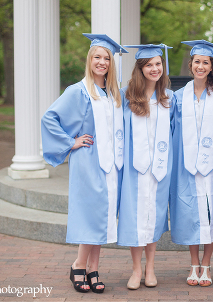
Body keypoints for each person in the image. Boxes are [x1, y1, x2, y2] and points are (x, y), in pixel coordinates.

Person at [41, 33, 127, 294]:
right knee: (92, 213)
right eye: (97, 57)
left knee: (103, 216)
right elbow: (49, 118)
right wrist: (71, 142)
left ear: (112, 63)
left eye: (107, 58)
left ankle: (93, 268)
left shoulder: (113, 93)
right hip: (89, 160)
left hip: (112, 164)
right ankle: (79, 264)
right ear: (90, 60)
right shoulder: (78, 91)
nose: (102, 62)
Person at [170, 40, 213, 287]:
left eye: (206, 62)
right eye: (197, 62)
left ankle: (207, 263)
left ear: (212, 66)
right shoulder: (177, 96)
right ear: (190, 64)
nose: (201, 66)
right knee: (190, 212)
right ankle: (194, 263)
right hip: (186, 165)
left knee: (211, 213)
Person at [117, 43, 176, 290]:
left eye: (158, 64)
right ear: (140, 69)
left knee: (153, 217)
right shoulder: (125, 95)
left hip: (160, 168)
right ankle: (136, 269)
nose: (154, 68)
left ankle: (150, 267)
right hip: (134, 169)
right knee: (135, 217)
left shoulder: (170, 98)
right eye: (149, 65)